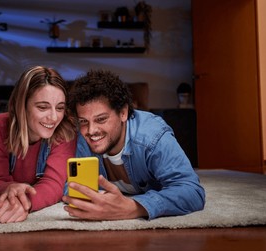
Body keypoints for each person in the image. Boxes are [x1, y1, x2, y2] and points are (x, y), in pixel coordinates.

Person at [62, 69, 205, 220]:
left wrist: (134, 207)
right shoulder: (83, 137)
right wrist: (98, 199)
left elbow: (192, 192)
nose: (91, 131)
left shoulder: (152, 137)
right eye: (84, 121)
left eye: (101, 119)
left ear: (123, 112)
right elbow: (69, 186)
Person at [0, 66, 76, 223]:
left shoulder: (66, 131)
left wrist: (23, 203)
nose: (53, 117)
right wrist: (9, 189)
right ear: (22, 105)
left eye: (60, 108)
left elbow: (53, 184)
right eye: (42, 107)